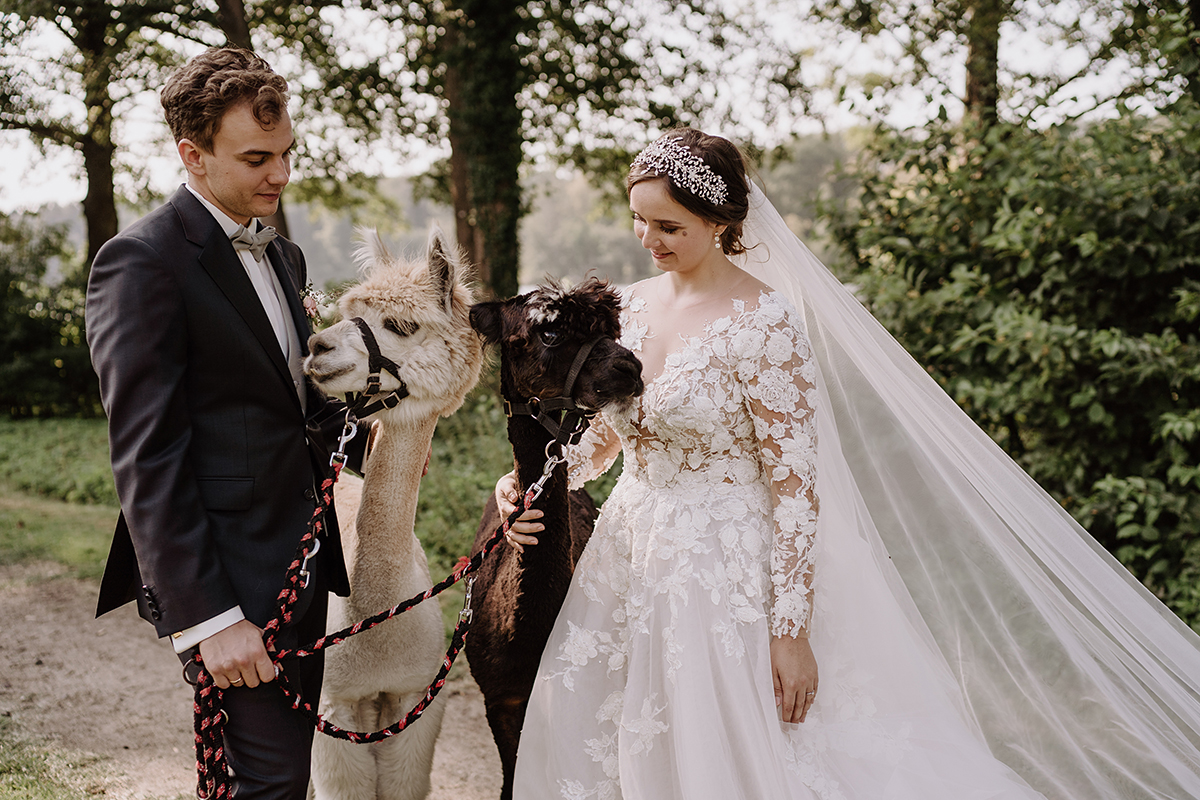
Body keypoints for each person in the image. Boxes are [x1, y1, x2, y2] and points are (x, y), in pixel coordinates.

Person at [496, 128, 1200, 799]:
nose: (648, 241)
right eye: (640, 222)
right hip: (629, 554)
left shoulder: (763, 323)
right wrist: (533, 486)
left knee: (738, 747)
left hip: (727, 572)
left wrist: (789, 631)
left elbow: (796, 486)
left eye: (669, 227)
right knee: (614, 737)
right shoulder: (630, 309)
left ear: (720, 222)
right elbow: (608, 437)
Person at [86, 46, 368, 798]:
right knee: (269, 786)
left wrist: (379, 431)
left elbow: (293, 408)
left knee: (281, 781)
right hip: (229, 584)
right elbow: (148, 456)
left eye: (286, 154)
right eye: (256, 158)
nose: (280, 175)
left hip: (300, 565)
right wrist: (209, 619)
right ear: (193, 153)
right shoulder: (141, 263)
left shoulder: (285, 255)